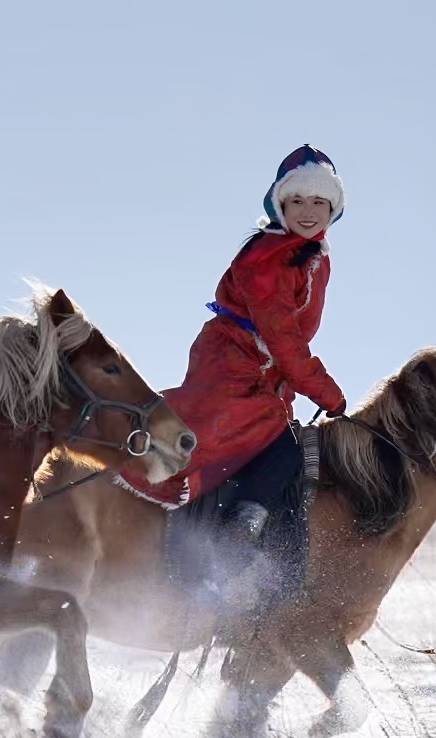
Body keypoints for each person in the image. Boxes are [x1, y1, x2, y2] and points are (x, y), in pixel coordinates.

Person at [118, 144, 346, 523]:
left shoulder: (309, 255)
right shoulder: (271, 258)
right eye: (298, 201)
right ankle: (241, 526)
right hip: (233, 365)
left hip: (258, 371)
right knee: (282, 447)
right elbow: (283, 340)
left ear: (333, 209)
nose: (308, 212)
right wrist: (327, 393)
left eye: (319, 202)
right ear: (281, 206)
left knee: (279, 441)